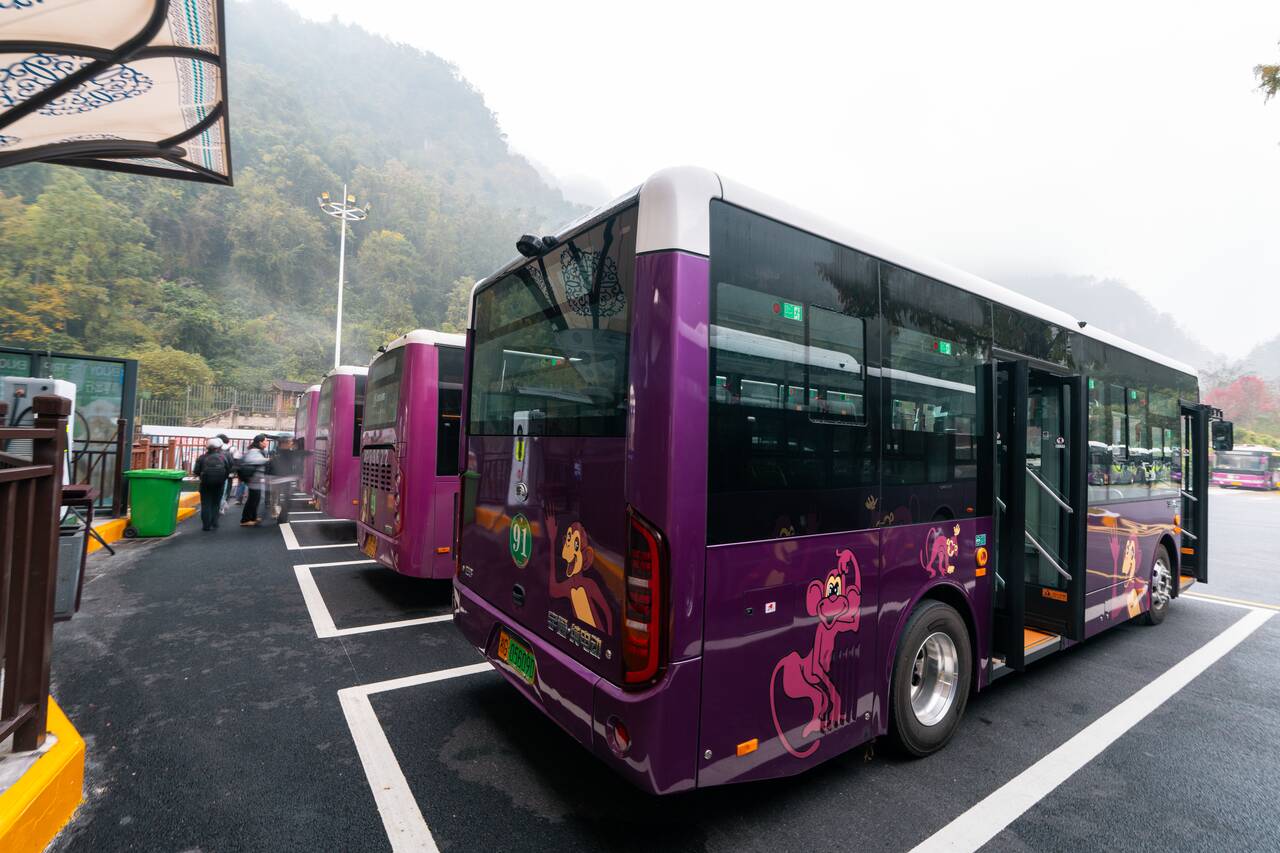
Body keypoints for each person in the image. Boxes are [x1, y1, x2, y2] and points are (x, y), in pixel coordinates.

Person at [193, 438, 230, 532]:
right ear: (218, 447)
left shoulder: (202, 457)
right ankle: (215, 523)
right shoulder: (223, 457)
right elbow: (228, 470)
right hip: (219, 484)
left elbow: (196, 471)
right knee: (216, 504)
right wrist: (222, 479)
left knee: (205, 504)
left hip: (205, 484)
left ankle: (206, 526)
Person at [239, 434, 270, 526]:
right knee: (252, 499)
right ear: (260, 442)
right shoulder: (254, 451)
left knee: (255, 499)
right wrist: (267, 460)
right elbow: (253, 460)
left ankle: (253, 517)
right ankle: (245, 519)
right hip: (254, 479)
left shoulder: (258, 450)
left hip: (256, 479)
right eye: (265, 441)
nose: (266, 442)